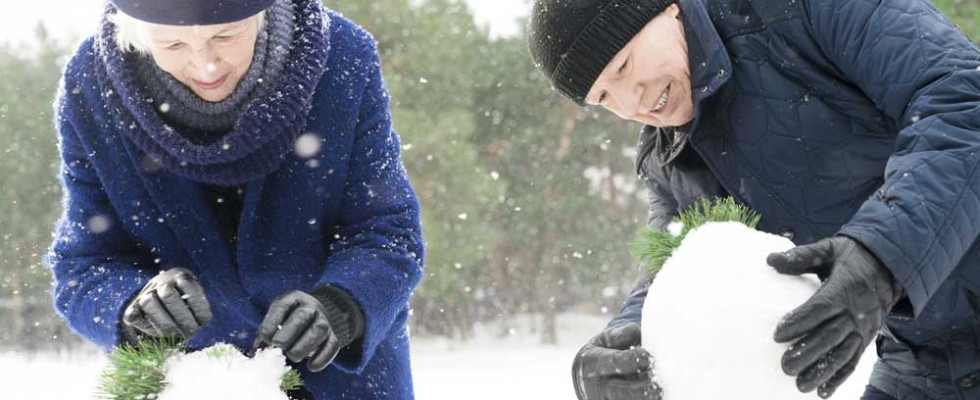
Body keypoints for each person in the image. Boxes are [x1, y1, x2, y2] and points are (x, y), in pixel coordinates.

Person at [527, 0, 980, 399]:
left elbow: (963, 103)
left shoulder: (800, 9)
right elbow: (678, 268)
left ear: (666, 8)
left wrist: (881, 260)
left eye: (625, 66)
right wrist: (619, 349)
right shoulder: (673, 156)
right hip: (928, 360)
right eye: (604, 96)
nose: (632, 104)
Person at [44, 0, 424, 398]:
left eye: (225, 36)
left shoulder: (342, 57)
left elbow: (388, 232)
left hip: (341, 383)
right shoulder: (90, 86)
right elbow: (83, 266)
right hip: (189, 383)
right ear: (136, 33)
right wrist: (132, 307)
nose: (206, 65)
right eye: (173, 45)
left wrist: (343, 306)